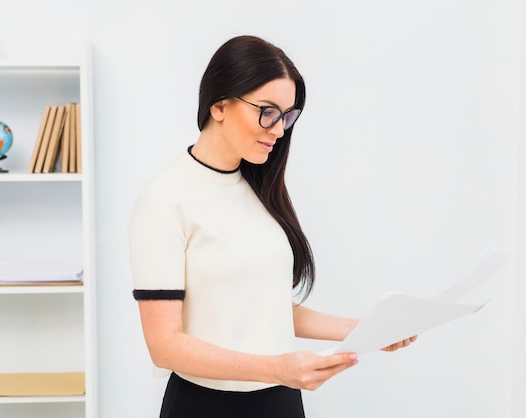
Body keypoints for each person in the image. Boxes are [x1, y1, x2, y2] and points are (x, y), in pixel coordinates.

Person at [129, 35, 416, 418]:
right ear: (219, 105)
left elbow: (266, 307)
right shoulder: (165, 198)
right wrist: (277, 367)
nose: (279, 129)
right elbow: (164, 344)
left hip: (279, 400)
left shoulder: (258, 189)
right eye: (267, 111)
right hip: (205, 406)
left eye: (287, 115)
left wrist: (366, 330)